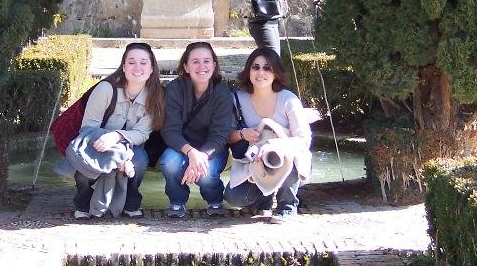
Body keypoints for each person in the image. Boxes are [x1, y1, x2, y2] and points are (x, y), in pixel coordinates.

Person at [73, 42, 164, 220]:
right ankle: (83, 202)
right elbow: (88, 129)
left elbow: (142, 134)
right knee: (85, 166)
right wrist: (115, 153)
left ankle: (131, 203)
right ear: (123, 67)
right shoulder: (105, 89)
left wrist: (117, 139)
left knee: (139, 161)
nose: (137, 67)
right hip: (96, 141)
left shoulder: (155, 96)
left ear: (152, 68)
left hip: (131, 146)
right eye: (131, 62)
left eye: (143, 62)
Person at [224, 47, 312, 223]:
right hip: (254, 163)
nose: (261, 73)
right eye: (255, 67)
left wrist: (275, 145)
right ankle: (264, 198)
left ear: (276, 73)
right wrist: (242, 134)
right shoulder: (237, 99)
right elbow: (227, 136)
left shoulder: (288, 100)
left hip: (288, 160)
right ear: (248, 71)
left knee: (290, 157)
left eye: (267, 68)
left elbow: (304, 140)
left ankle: (287, 206)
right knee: (234, 197)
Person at [160, 41, 234, 218]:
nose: (202, 66)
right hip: (181, 147)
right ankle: (177, 202)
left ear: (214, 65)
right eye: (195, 62)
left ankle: (214, 200)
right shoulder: (175, 89)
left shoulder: (222, 93)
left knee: (206, 174)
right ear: (186, 67)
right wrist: (191, 153)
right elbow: (170, 130)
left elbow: (220, 135)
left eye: (207, 61)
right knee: (170, 163)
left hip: (212, 149)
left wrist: (202, 156)